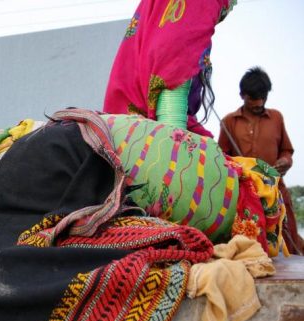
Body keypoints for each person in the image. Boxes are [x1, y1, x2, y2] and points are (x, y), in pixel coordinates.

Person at [103, 0, 235, 137]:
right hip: (152, 137)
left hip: (126, 128)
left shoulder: (156, 21)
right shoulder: (194, 10)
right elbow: (172, 129)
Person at [218, 67, 303, 255]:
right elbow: (221, 159)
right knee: (250, 247)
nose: (260, 103)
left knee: (290, 243)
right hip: (245, 196)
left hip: (277, 190)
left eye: (263, 97)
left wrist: (285, 161)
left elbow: (287, 151)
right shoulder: (228, 122)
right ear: (242, 95)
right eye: (253, 98)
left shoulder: (276, 118)